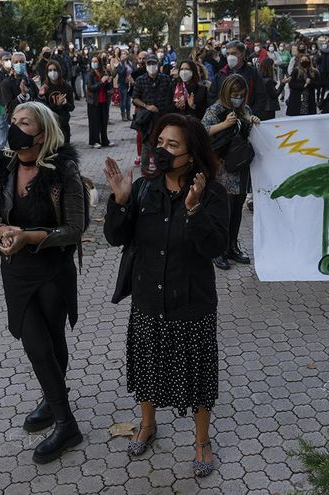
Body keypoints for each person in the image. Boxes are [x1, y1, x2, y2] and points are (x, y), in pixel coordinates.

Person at [103, 113, 228, 478]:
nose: (162, 150)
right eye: (160, 143)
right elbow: (116, 237)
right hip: (147, 299)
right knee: (146, 369)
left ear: (191, 155)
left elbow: (216, 246)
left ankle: (202, 440)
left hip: (192, 303)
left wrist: (194, 208)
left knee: (200, 378)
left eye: (173, 145)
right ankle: (147, 424)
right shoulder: (143, 188)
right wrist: (121, 201)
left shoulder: (213, 193)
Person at [0, 101, 86, 465]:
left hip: (53, 271)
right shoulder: (0, 167)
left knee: (52, 343)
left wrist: (30, 236)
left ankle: (52, 401)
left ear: (41, 133)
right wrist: (0, 230)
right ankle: (65, 420)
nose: (15, 127)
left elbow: (74, 229)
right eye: (13, 121)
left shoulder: (62, 171)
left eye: (24, 122)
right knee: (36, 345)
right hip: (16, 271)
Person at [202, 75, 260, 270]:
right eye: (234, 95)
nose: (237, 98)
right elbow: (202, 131)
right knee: (221, 212)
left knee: (236, 210)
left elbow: (250, 135)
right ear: (226, 93)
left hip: (240, 168)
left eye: (241, 95)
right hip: (221, 167)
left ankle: (233, 246)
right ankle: (219, 250)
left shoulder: (245, 110)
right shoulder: (216, 109)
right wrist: (225, 124)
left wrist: (253, 122)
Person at [133, 54, 173, 170]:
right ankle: (144, 172)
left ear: (158, 64)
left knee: (161, 143)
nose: (151, 66)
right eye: (149, 64)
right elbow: (135, 98)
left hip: (162, 116)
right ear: (145, 65)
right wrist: (146, 106)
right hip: (147, 117)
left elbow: (170, 96)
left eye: (153, 63)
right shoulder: (140, 80)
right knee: (146, 145)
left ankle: (161, 168)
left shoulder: (165, 79)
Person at [211, 41, 266, 111]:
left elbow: (261, 96)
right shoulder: (221, 74)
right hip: (224, 118)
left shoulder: (252, 73)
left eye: (233, 53)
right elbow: (212, 96)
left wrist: (252, 114)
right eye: (228, 54)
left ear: (242, 54)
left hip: (247, 116)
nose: (230, 57)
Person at [39, 60, 75, 143]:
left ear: (59, 71)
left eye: (55, 70)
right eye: (50, 70)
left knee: (65, 149)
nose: (53, 72)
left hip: (63, 124)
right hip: (50, 125)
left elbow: (72, 107)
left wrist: (65, 103)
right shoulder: (45, 87)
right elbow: (43, 109)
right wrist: (56, 104)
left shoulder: (66, 87)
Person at [85, 54, 114, 149]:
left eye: (96, 61)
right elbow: (91, 88)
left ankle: (105, 140)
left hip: (104, 100)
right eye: (92, 61)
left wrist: (108, 82)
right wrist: (101, 82)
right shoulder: (90, 74)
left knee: (104, 121)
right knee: (94, 122)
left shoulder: (103, 72)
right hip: (93, 101)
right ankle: (95, 141)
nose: (94, 63)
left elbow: (108, 87)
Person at [0, 52, 13, 150]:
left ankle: (11, 143)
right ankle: (0, 145)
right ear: (1, 61)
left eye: (9, 59)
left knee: (11, 124)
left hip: (13, 102)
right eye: (5, 59)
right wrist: (10, 77)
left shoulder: (16, 72)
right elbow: (2, 87)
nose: (8, 61)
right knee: (1, 124)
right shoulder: (0, 74)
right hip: (2, 103)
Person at [116, 52, 134, 121]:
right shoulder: (120, 64)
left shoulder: (130, 63)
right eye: (122, 54)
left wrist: (131, 77)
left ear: (127, 55)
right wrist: (124, 65)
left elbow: (133, 71)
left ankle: (128, 115)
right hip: (122, 84)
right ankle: (123, 115)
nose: (123, 55)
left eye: (125, 54)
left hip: (129, 84)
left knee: (128, 102)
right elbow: (120, 73)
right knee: (123, 101)